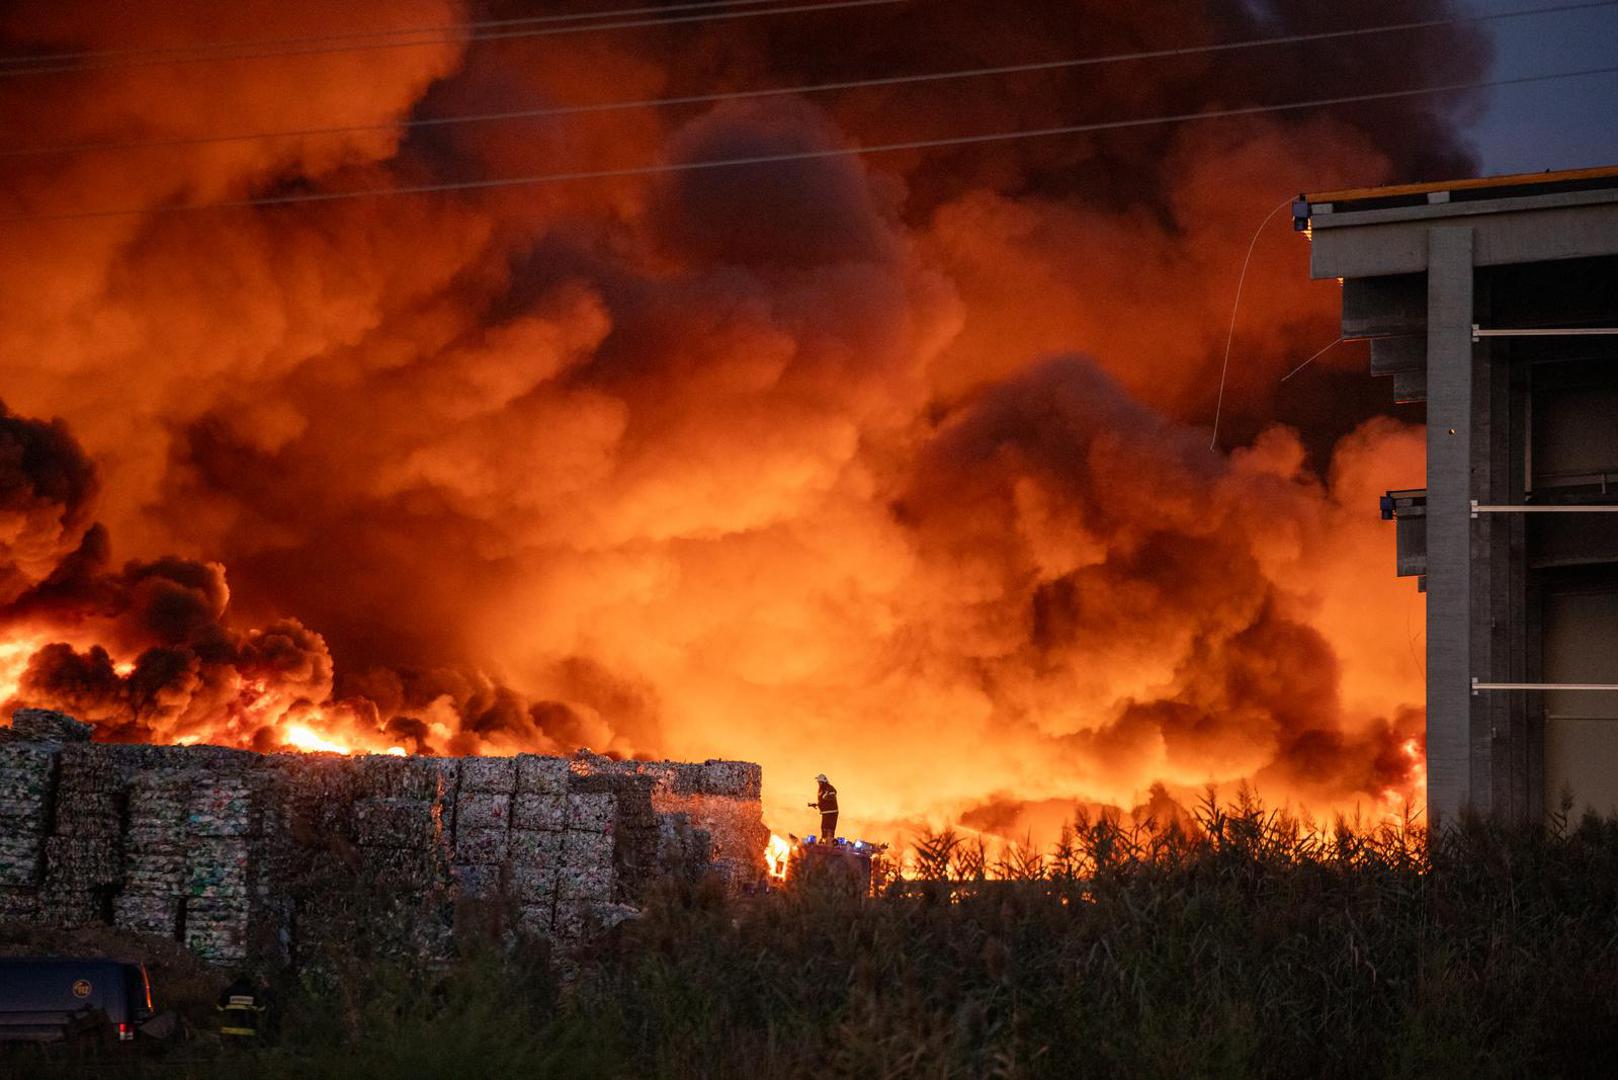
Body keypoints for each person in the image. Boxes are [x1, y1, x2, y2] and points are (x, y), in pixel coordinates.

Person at [216, 973, 266, 1045]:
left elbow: (219, 1008)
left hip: (229, 1030)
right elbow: (262, 1008)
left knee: (230, 1052)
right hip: (248, 1029)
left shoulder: (229, 990)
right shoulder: (253, 992)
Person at [808, 773, 838, 841]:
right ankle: (824, 841)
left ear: (823, 781)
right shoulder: (821, 789)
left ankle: (829, 842)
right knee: (823, 827)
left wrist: (825, 796)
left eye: (819, 781)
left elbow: (833, 794)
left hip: (832, 812)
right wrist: (816, 804)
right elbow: (822, 801)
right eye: (818, 782)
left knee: (829, 828)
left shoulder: (829, 788)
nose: (818, 783)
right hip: (825, 812)